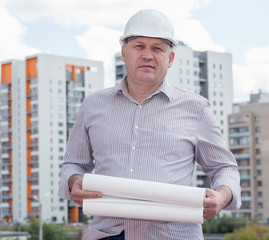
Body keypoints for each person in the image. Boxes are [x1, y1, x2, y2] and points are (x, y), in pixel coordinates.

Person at [59, 9, 241, 240]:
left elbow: (224, 168)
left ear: (170, 58)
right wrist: (75, 181)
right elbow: (73, 164)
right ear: (124, 53)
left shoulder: (196, 108)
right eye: (139, 46)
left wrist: (222, 196)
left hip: (174, 235)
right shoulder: (93, 105)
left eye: (157, 48)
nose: (147, 55)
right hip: (108, 234)